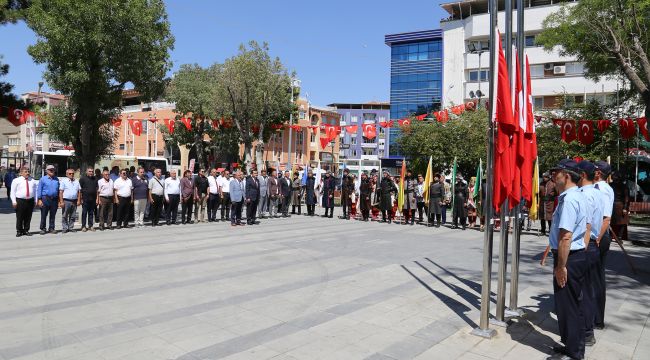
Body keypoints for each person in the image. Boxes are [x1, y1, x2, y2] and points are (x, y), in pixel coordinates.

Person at [547, 159, 588, 360]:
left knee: (569, 305)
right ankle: (572, 345)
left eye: (557, 173)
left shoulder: (570, 199)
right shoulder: (575, 196)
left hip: (568, 257)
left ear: (568, 176)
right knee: (569, 304)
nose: (554, 177)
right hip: (574, 255)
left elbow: (565, 236)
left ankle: (575, 352)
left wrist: (561, 266)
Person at [576, 161, 603, 348]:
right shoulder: (598, 192)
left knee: (583, 292)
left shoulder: (584, 195)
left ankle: (586, 333)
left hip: (585, 245)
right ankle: (587, 329)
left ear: (582, 175)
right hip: (594, 243)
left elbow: (586, 225)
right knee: (588, 290)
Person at [593, 160, 614, 331]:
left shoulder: (602, 189)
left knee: (597, 278)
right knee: (594, 277)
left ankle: (597, 319)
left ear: (598, 173)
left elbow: (606, 218)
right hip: (599, 236)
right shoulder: (600, 187)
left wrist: (597, 238)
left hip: (599, 237)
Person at [11, 167, 37, 237]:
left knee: (28, 216)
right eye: (25, 171)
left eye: (28, 171)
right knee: (20, 216)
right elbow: (12, 192)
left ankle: (26, 230)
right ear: (21, 173)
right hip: (20, 201)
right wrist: (14, 201)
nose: (27, 173)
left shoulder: (32, 180)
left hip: (30, 200)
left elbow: (35, 191)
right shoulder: (16, 180)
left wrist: (35, 200)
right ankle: (19, 230)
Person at [37, 165, 60, 234]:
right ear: (46, 171)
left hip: (54, 199)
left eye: (53, 170)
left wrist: (59, 200)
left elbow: (58, 190)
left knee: (53, 215)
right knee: (44, 214)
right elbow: (39, 189)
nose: (52, 171)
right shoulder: (43, 179)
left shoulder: (56, 179)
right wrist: (39, 199)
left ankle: (51, 228)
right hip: (45, 198)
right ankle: (43, 228)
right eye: (50, 170)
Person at [58, 168, 81, 233]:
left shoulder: (76, 181)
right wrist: (61, 201)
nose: (71, 175)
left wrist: (79, 200)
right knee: (65, 215)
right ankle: (65, 228)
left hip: (74, 200)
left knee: (73, 215)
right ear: (66, 174)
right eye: (70, 173)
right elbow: (61, 192)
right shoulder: (63, 181)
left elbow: (79, 191)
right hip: (66, 200)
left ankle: (71, 227)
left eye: (72, 173)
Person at [610, 172, 629, 241]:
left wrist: (625, 208)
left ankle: (619, 237)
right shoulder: (610, 185)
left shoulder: (624, 187)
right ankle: (612, 235)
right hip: (613, 205)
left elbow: (626, 198)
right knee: (612, 221)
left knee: (622, 222)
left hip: (620, 205)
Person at [79, 167, 98, 232]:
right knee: (84, 213)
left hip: (93, 199)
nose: (91, 173)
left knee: (91, 213)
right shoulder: (82, 179)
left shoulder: (95, 179)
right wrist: (80, 198)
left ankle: (90, 226)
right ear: (86, 172)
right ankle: (83, 226)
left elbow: (96, 189)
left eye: (92, 171)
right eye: (89, 171)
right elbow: (79, 190)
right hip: (85, 199)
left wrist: (97, 199)